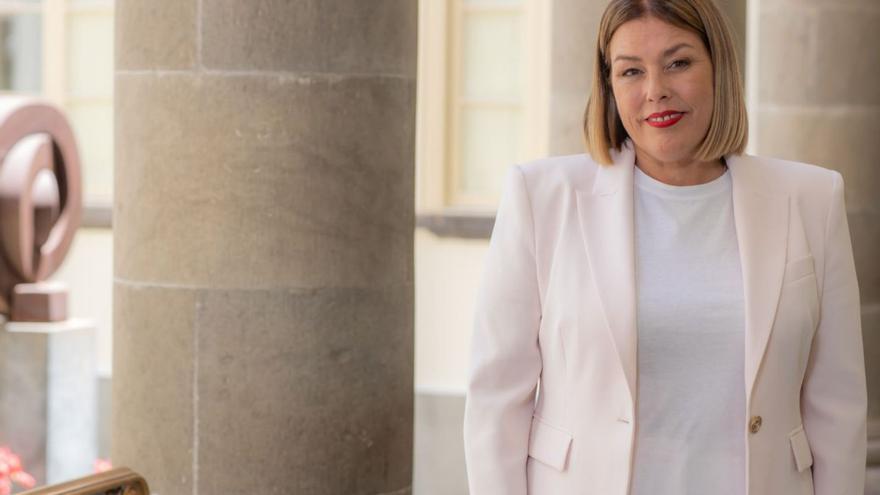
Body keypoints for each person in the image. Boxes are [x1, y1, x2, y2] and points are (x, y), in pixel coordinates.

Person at [462, 0, 867, 494]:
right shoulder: (541, 196)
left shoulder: (812, 199)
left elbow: (837, 408)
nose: (656, 91)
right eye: (631, 71)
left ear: (719, 68)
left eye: (678, 63)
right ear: (609, 87)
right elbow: (497, 400)